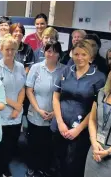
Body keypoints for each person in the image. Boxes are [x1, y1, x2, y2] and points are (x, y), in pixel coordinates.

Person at [51, 40, 106, 177]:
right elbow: (56, 97)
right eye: (76, 54)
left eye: (83, 54)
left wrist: (79, 129)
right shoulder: (66, 71)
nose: (79, 57)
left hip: (81, 129)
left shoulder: (98, 78)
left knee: (74, 164)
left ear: (90, 57)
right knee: (57, 160)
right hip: (60, 125)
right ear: (72, 55)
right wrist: (60, 122)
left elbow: (96, 107)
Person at [25, 41, 65, 177]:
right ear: (44, 52)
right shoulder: (36, 68)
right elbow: (29, 90)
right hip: (36, 113)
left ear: (59, 54)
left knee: (48, 145)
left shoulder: (64, 70)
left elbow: (64, 95)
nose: (51, 54)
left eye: (54, 51)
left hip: (54, 115)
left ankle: (44, 168)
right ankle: (31, 167)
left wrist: (55, 113)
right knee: (33, 143)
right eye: (48, 51)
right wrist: (37, 109)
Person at [0, 35, 26, 177]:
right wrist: (16, 106)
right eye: (7, 49)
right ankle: (0, 169)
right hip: (2, 113)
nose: (10, 52)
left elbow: (22, 88)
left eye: (12, 49)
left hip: (16, 114)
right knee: (1, 145)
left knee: (12, 144)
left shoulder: (20, 67)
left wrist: (18, 109)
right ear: (1, 49)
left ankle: (5, 167)